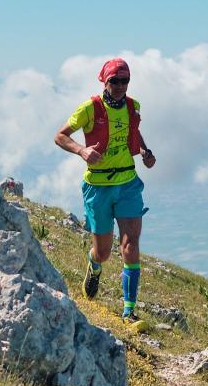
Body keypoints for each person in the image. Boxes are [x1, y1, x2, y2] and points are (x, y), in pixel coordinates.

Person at [53, 58, 157, 318]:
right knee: (103, 253)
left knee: (130, 244)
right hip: (98, 186)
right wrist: (81, 150)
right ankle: (94, 265)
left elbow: (133, 131)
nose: (120, 86)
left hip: (128, 183)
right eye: (115, 81)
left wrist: (145, 152)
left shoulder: (133, 106)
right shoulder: (90, 108)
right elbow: (60, 136)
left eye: (125, 81)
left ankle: (129, 312)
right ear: (104, 81)